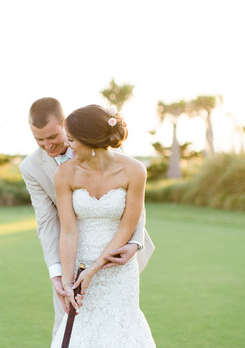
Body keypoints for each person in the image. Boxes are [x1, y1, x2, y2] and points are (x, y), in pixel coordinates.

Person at [9, 104, 182, 348]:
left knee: (121, 333)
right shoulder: (65, 173)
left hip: (118, 265)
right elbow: (65, 229)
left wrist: (98, 266)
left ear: (87, 140)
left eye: (67, 139)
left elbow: (128, 223)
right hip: (78, 259)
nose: (65, 146)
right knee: (79, 338)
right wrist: (69, 277)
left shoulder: (135, 169)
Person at [20, 97, 155, 335]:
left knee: (120, 331)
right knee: (70, 332)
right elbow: (48, 221)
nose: (48, 145)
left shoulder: (102, 139)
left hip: (118, 254)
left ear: (64, 124)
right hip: (73, 256)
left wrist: (134, 242)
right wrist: (59, 274)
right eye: (39, 140)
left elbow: (133, 204)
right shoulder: (32, 167)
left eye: (53, 137)